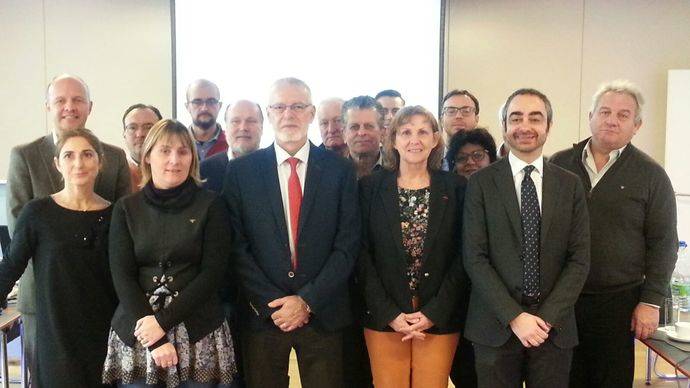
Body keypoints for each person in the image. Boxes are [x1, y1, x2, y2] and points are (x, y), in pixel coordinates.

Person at [222, 77, 359, 388]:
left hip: (323, 312)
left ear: (311, 113)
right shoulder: (242, 172)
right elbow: (235, 246)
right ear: (269, 114)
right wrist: (274, 302)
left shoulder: (340, 171)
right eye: (280, 107)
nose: (289, 114)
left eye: (297, 106)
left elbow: (347, 245)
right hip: (264, 315)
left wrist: (306, 301)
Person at [550, 80, 678, 387]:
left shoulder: (651, 175)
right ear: (590, 116)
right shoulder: (558, 165)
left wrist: (651, 302)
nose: (612, 119)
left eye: (623, 115)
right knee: (560, 378)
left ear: (637, 125)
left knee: (610, 380)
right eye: (605, 111)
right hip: (561, 300)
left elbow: (664, 244)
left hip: (618, 303)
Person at [463, 88, 591, 387]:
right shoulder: (481, 183)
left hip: (553, 329)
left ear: (548, 126)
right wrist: (515, 317)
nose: (525, 126)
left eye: (536, 118)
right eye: (516, 117)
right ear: (504, 126)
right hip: (495, 326)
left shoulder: (570, 185)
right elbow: (474, 257)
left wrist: (544, 319)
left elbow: (579, 259)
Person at [6, 74, 130, 380]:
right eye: (60, 100)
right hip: (45, 304)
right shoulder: (25, 158)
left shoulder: (115, 158)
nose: (69, 107)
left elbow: (127, 229)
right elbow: (17, 241)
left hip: (104, 308)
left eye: (77, 100)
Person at [102, 119, 237, 387]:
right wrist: (155, 336)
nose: (174, 160)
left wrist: (162, 324)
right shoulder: (126, 208)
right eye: (165, 150)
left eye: (183, 151)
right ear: (148, 155)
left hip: (199, 332)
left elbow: (213, 274)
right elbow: (122, 275)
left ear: (192, 159)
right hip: (139, 333)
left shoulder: (212, 205)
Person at [358, 105, 466, 388]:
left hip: (438, 314)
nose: (414, 139)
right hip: (385, 314)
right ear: (393, 140)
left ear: (435, 139)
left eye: (422, 131)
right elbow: (361, 255)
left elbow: (463, 256)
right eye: (406, 132)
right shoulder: (370, 187)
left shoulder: (456, 188)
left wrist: (434, 313)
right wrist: (389, 314)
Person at [0, 128, 117, 387]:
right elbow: (10, 266)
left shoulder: (117, 215)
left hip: (105, 336)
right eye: (69, 155)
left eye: (87, 154)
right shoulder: (37, 213)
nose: (78, 163)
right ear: (57, 164)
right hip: (56, 335)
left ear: (100, 161)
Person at [445, 127, 496, 388]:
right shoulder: (447, 198)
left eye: (478, 155)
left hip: (495, 305)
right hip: (457, 305)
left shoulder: (502, 197)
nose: (470, 163)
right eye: (462, 158)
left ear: (491, 158)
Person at [200, 100, 263, 193]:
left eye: (251, 121)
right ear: (226, 128)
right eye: (235, 121)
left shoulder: (275, 168)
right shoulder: (204, 171)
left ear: (262, 128)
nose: (243, 127)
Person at [122, 103, 163, 191]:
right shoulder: (116, 173)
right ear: (124, 134)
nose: (140, 134)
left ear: (161, 133)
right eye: (132, 128)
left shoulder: (173, 168)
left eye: (148, 127)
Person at [185, 79, 228, 161]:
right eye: (197, 102)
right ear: (187, 107)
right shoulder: (177, 143)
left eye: (211, 101)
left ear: (219, 106)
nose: (204, 108)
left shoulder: (231, 144)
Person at [343, 96, 384, 178]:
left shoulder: (398, 169)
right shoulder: (332, 173)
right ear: (344, 134)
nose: (361, 133)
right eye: (354, 127)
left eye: (369, 126)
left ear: (382, 132)